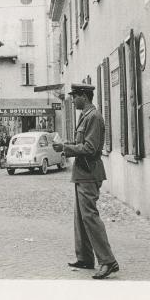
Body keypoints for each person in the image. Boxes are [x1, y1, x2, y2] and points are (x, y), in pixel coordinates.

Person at [53, 83, 119, 280]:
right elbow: (81, 144)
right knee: (80, 217)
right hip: (82, 173)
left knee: (90, 216)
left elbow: (90, 149)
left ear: (84, 96)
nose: (72, 100)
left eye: (75, 96)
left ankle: (108, 262)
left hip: (90, 173)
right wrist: (64, 146)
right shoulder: (85, 116)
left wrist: (67, 148)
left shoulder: (94, 117)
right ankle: (85, 258)